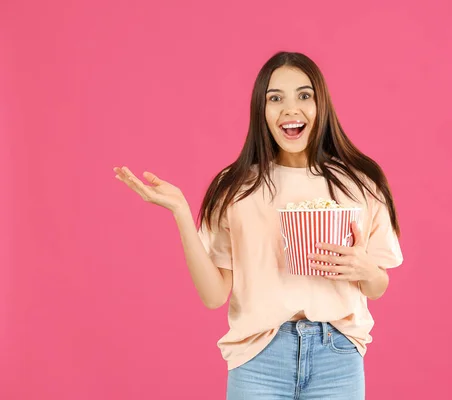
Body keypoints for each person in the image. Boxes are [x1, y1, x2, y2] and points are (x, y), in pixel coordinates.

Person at [113, 51, 403, 400]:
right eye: (275, 98)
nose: (290, 109)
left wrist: (365, 268)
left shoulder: (359, 182)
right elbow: (214, 295)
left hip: (337, 356)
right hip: (259, 357)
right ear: (261, 111)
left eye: (304, 95)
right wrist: (180, 212)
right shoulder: (235, 187)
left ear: (321, 104)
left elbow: (377, 286)